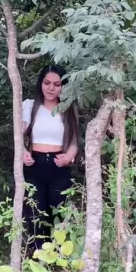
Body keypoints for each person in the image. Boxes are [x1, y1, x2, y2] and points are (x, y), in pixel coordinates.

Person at [22, 64, 79, 254]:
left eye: (56, 84)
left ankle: (57, 262)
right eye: (47, 83)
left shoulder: (67, 109)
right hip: (34, 166)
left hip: (59, 167)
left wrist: (69, 157)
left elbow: (73, 141)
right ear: (41, 84)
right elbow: (18, 137)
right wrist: (23, 152)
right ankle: (36, 260)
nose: (51, 88)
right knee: (35, 216)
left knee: (58, 216)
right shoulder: (30, 106)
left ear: (63, 87)